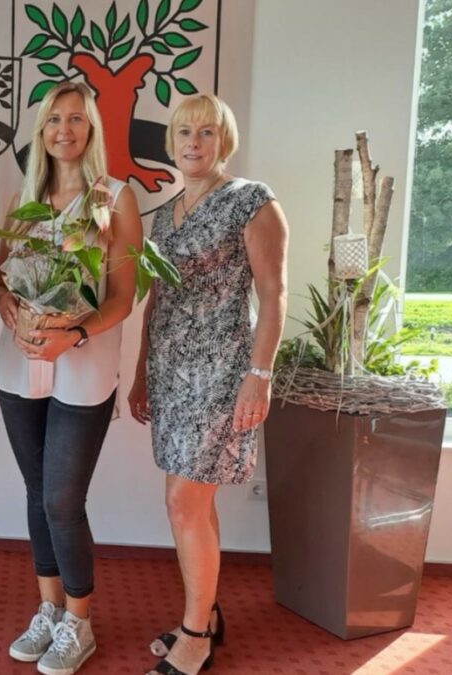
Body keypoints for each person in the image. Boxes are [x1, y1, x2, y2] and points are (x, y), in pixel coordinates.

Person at [128, 93, 288, 675]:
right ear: (171, 142)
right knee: (195, 499)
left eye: (207, 132)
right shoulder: (164, 212)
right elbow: (156, 299)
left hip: (223, 375)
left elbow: (274, 294)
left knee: (183, 502)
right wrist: (144, 368)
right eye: (183, 132)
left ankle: (194, 635)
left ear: (225, 140)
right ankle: (208, 611)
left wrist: (260, 376)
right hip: (171, 374)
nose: (194, 142)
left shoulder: (252, 201)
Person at [0, 81, 144, 675]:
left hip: (85, 365)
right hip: (19, 363)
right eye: (54, 119)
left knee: (62, 497)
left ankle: (79, 622)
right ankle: (49, 610)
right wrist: (5, 303)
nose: (64, 130)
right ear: (41, 131)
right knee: (37, 493)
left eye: (76, 119)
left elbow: (125, 296)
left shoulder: (115, 198)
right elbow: (1, 283)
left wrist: (73, 335)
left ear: (92, 129)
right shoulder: (23, 201)